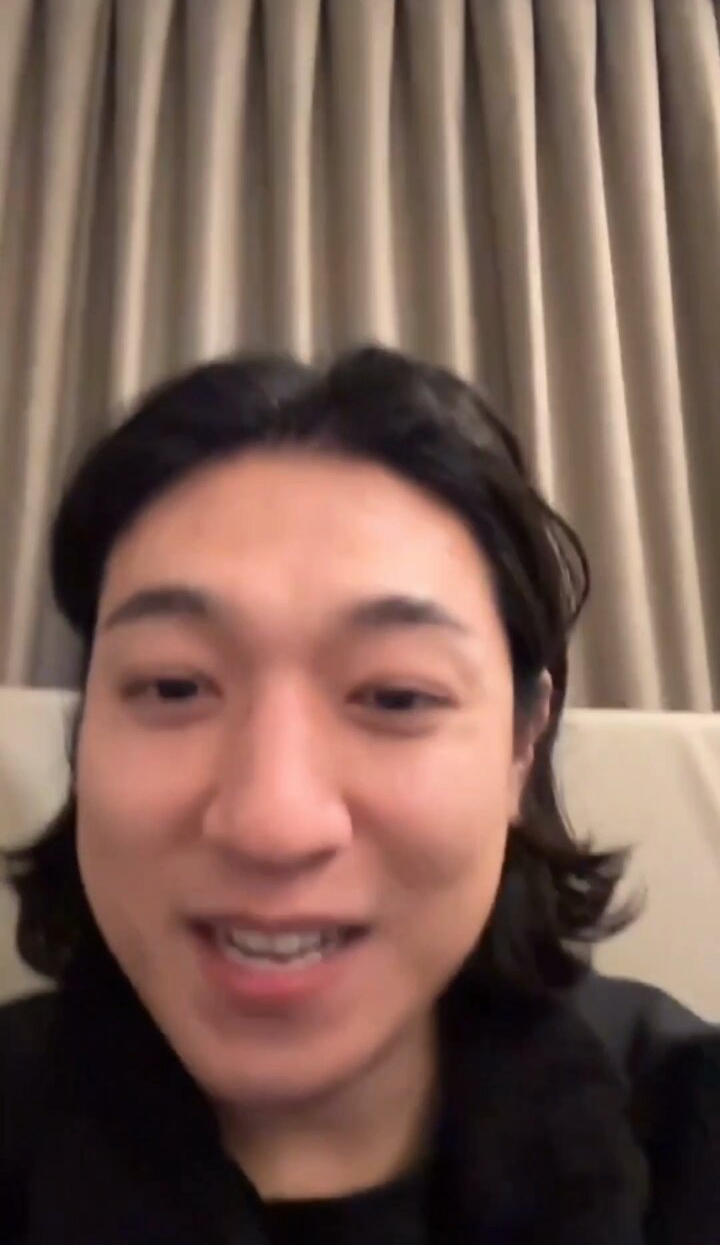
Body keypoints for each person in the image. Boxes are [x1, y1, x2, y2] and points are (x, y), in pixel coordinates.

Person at [1, 347, 717, 1245]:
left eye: (396, 697)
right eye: (174, 686)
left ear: (521, 745)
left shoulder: (688, 1131)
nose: (272, 823)